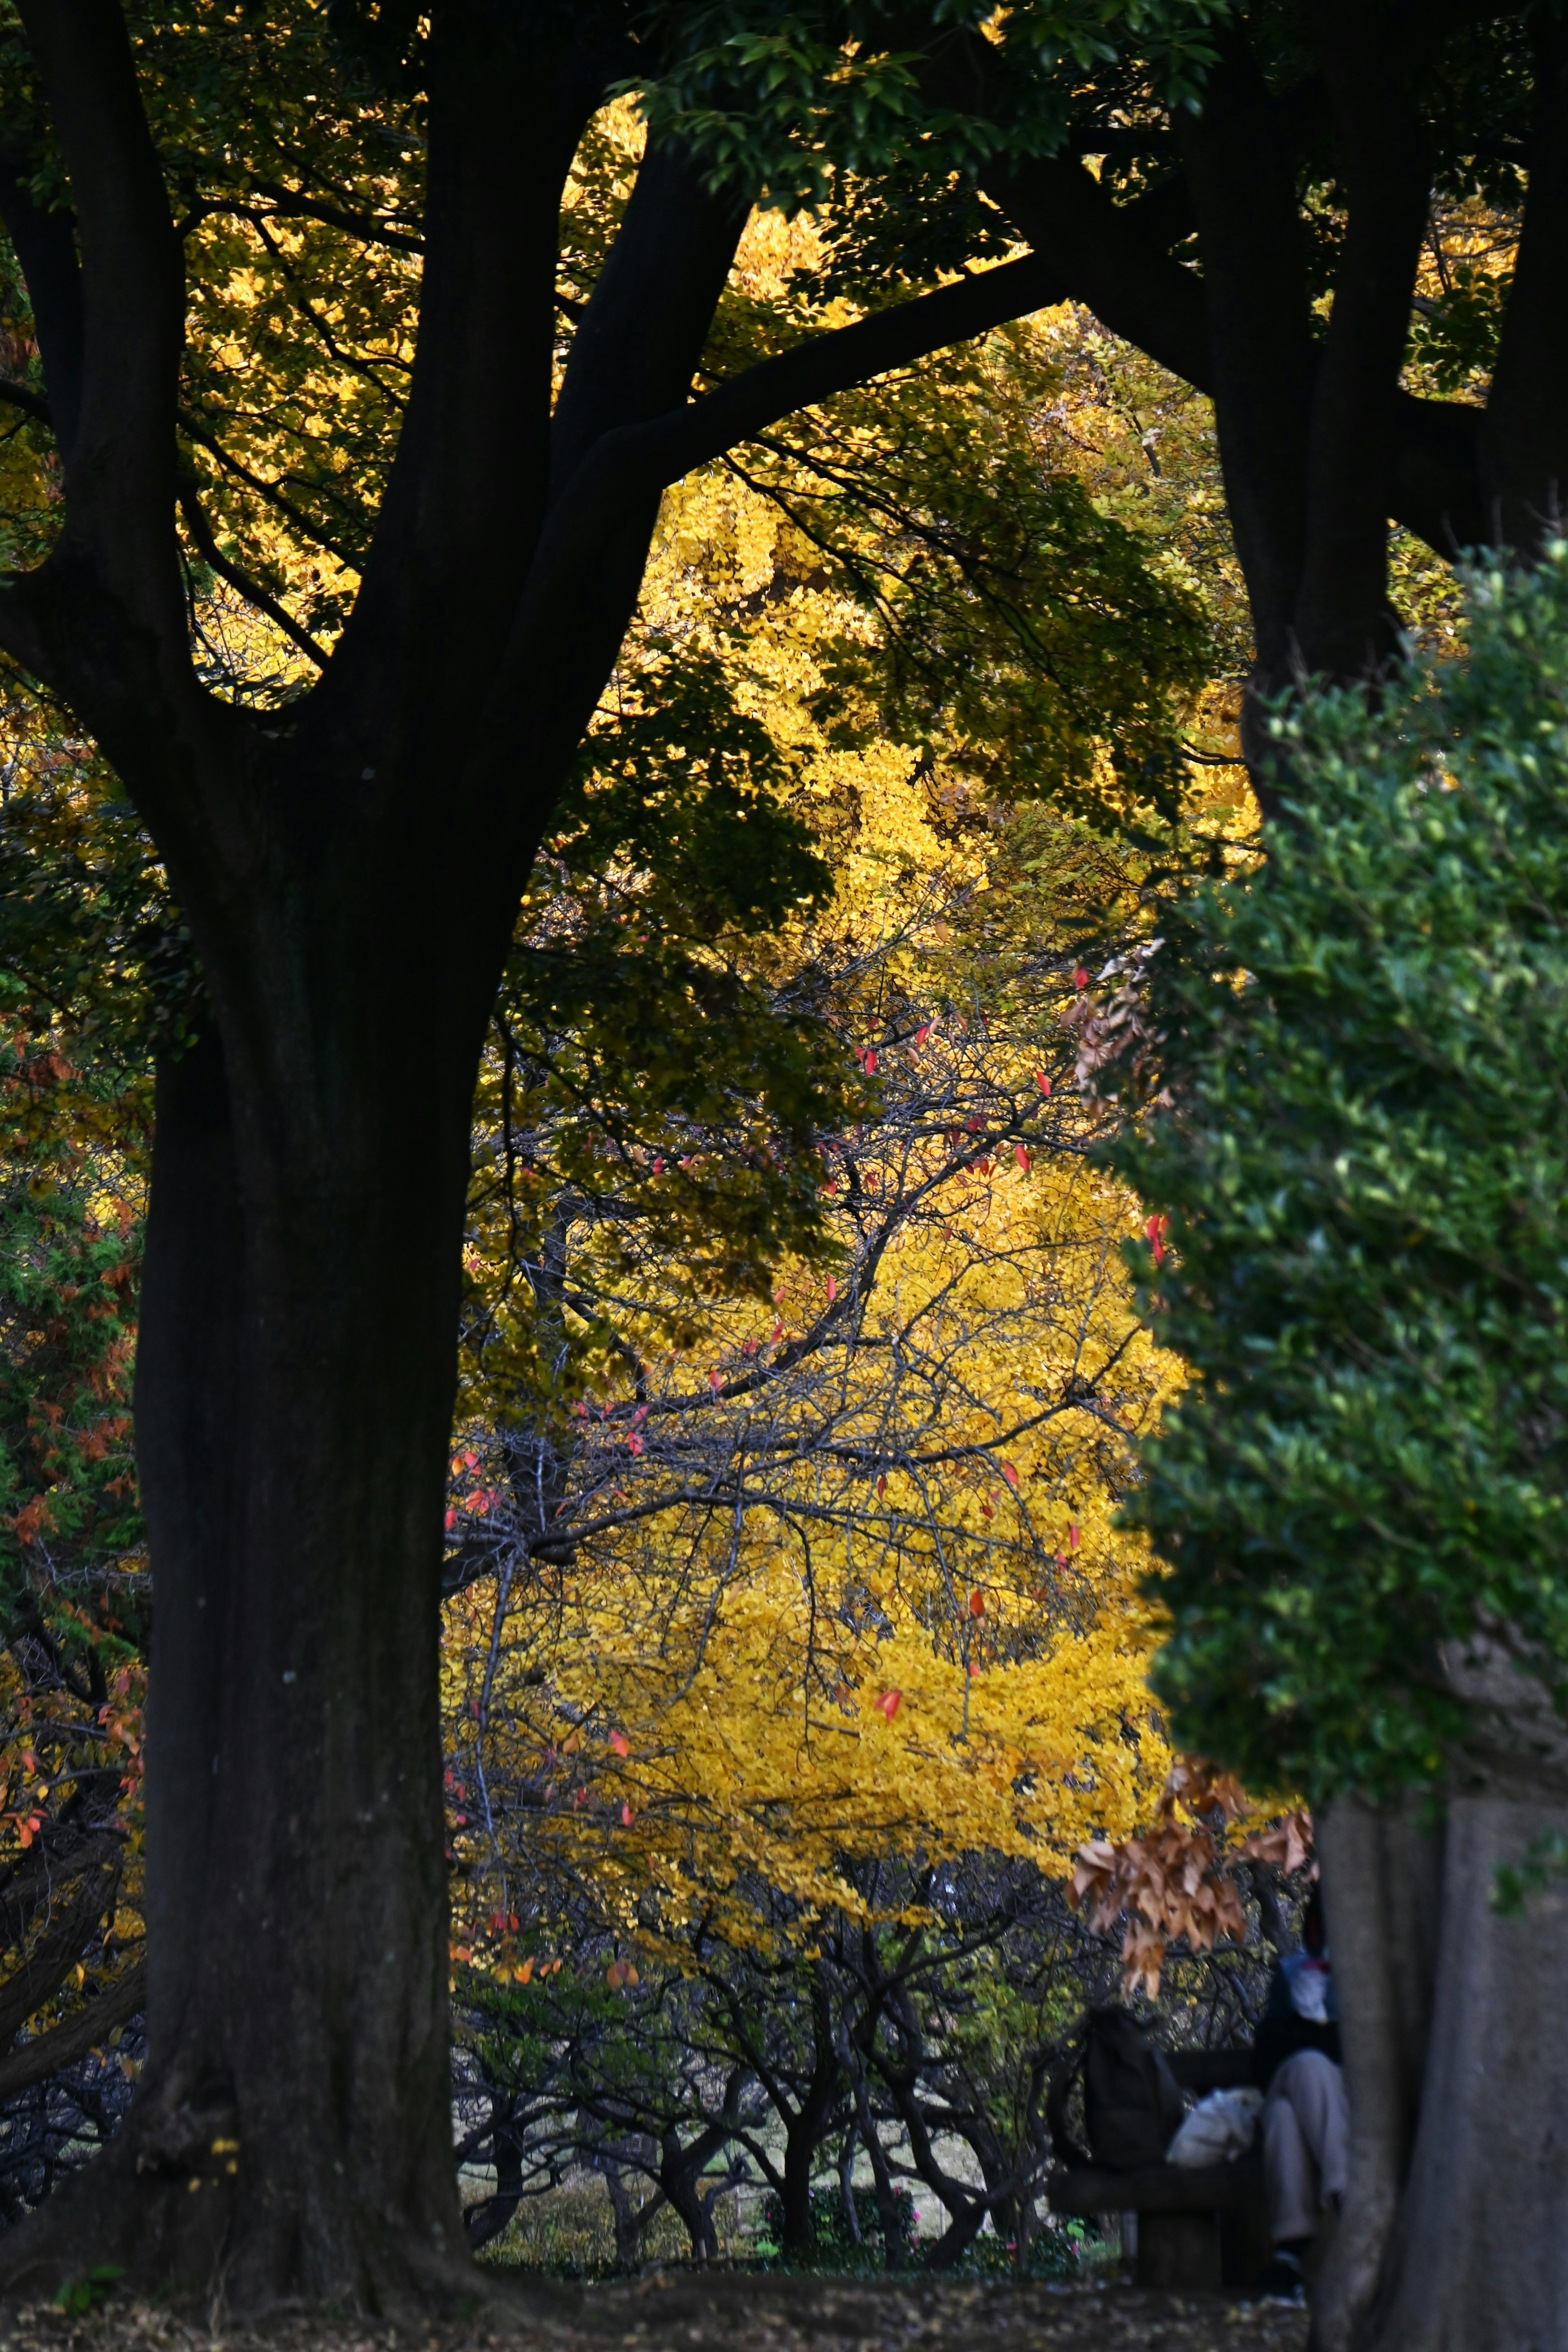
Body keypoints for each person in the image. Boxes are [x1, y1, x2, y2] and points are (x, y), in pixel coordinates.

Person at [1252, 1887, 1349, 2303]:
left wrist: (1321, 2031)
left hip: (1346, 2101)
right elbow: (1267, 2057)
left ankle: (1289, 2256)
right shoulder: (1292, 1972)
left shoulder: (1372, 1977)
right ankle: (1347, 2194)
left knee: (1282, 2117)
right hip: (1293, 2076)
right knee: (1305, 2069)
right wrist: (1302, 2023)